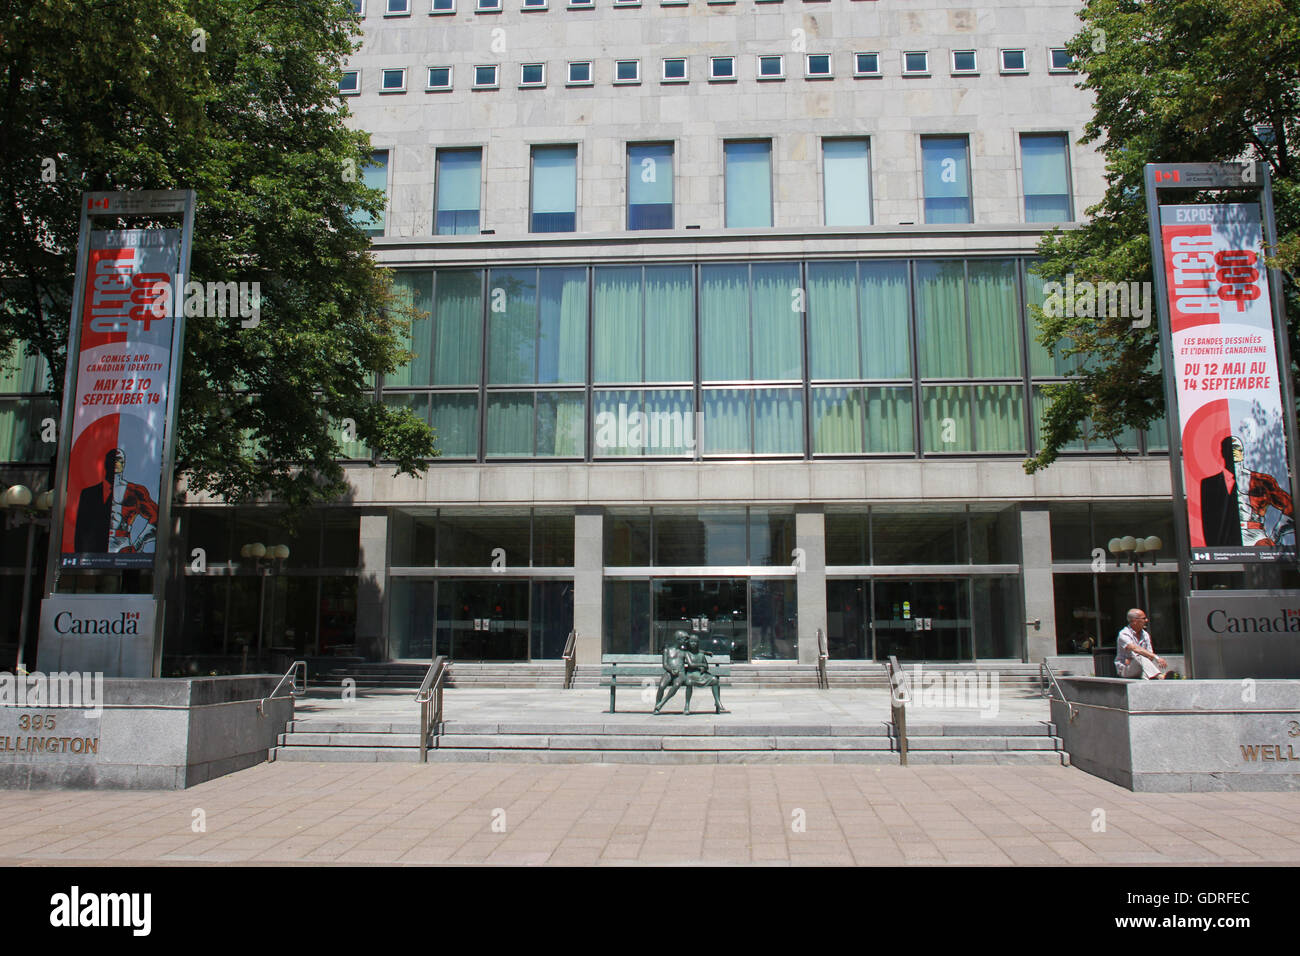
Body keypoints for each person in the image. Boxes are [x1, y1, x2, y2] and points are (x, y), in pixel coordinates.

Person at [682, 635, 729, 715]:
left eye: (695, 642)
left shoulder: (701, 654)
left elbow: (706, 665)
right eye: (691, 642)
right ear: (688, 643)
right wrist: (701, 665)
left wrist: (704, 667)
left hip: (701, 674)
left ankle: (717, 701)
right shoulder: (687, 653)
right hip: (691, 674)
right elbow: (691, 664)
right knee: (689, 682)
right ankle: (687, 705)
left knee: (714, 680)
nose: (693, 644)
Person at [1115, 608, 1167, 679]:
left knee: (1145, 675)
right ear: (1134, 621)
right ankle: (1159, 676)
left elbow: (1150, 656)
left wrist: (1134, 657)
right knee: (1140, 657)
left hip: (1142, 667)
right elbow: (1135, 648)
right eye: (1144, 618)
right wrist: (1156, 657)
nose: (1146, 620)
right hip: (1125, 669)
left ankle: (1152, 677)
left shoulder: (1145, 634)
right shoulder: (1123, 634)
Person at [653, 631, 689, 715]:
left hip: (680, 673)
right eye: (684, 639)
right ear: (678, 639)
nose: (685, 642)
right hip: (669, 672)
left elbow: (697, 651)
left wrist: (705, 653)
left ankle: (661, 704)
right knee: (661, 686)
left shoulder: (684, 651)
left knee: (676, 685)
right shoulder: (667, 650)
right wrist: (671, 670)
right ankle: (656, 705)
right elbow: (665, 664)